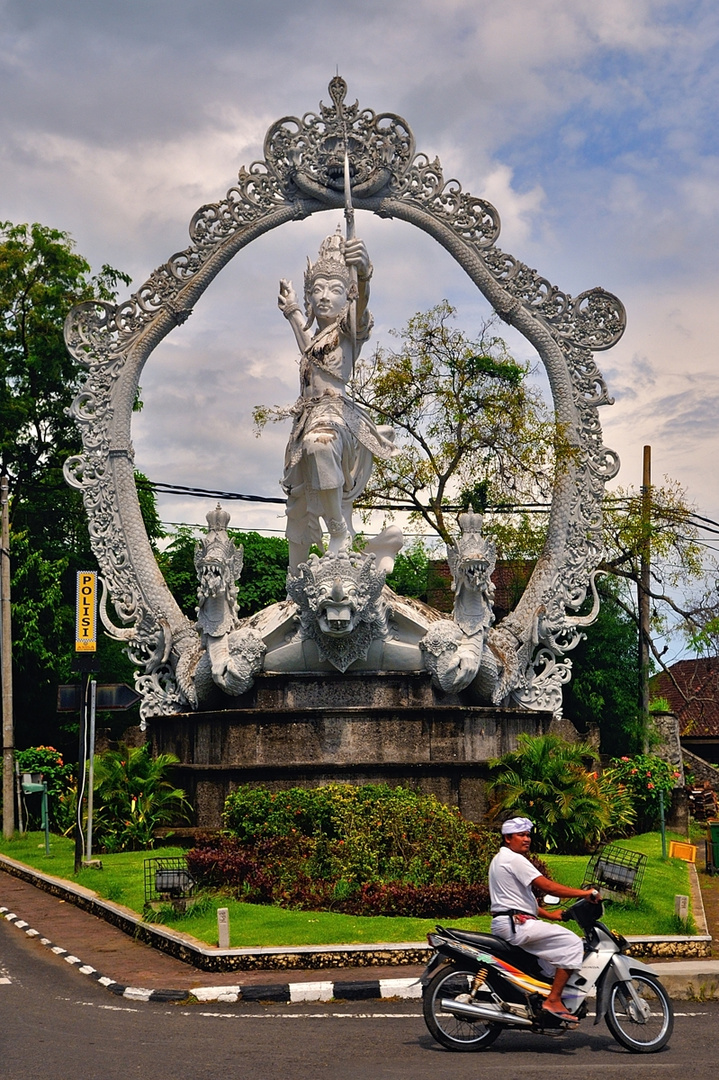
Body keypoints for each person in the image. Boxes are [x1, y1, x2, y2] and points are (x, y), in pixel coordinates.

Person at [277, 228, 396, 573]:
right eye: (317, 290)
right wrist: (292, 311)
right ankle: (300, 576)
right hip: (305, 418)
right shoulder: (320, 337)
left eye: (335, 289)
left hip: (334, 416)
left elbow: (360, 313)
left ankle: (340, 532)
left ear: (349, 295)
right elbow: (309, 347)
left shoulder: (348, 330)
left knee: (320, 444)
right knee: (299, 509)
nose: (325, 297)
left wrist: (364, 277)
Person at [488, 816, 601, 1023]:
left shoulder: (501, 859)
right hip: (516, 926)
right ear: (507, 838)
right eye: (521, 835)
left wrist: (550, 915)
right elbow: (547, 886)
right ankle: (554, 1000)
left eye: (528, 835)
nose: (526, 839)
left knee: (550, 965)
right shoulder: (514, 859)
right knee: (572, 943)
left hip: (512, 922)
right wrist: (584, 893)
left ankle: (539, 1000)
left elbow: (518, 901)